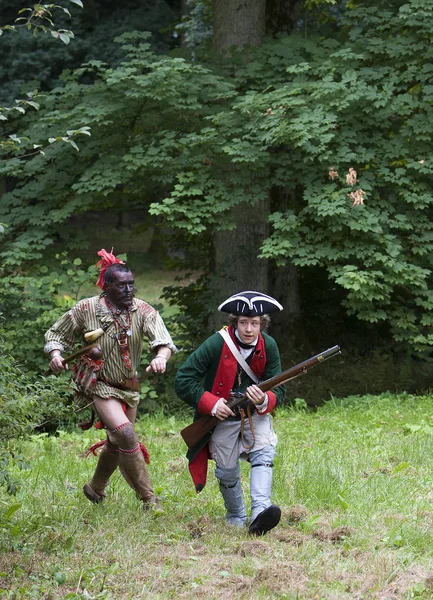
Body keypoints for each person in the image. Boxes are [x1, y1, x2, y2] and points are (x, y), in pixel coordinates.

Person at [44, 248, 177, 509]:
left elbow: (164, 341)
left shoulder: (143, 310)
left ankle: (95, 489)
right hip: (99, 384)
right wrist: (57, 354)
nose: (129, 291)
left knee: (116, 445)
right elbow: (55, 334)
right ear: (107, 287)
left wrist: (161, 357)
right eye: (122, 286)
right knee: (126, 435)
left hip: (129, 386)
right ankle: (149, 499)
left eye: (131, 285)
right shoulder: (86, 309)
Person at [175, 291, 285, 535]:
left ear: (262, 324)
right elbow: (183, 379)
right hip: (223, 416)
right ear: (234, 322)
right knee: (225, 469)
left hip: (254, 414)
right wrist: (212, 404)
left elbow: (279, 386)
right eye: (243, 322)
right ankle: (236, 514)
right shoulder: (216, 343)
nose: (248, 329)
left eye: (254, 323)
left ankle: (260, 511)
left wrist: (265, 399)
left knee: (264, 452)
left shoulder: (269, 346)